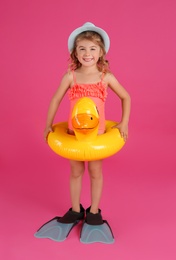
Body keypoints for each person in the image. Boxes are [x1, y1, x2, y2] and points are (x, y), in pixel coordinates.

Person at [40, 22, 131, 243]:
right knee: (75, 172)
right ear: (75, 52)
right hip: (74, 135)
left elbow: (126, 97)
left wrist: (124, 123)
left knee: (95, 172)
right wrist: (48, 124)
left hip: (97, 136)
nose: (87, 53)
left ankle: (94, 212)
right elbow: (55, 99)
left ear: (101, 52)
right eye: (82, 48)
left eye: (92, 48)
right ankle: (74, 209)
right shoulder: (70, 76)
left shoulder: (105, 76)